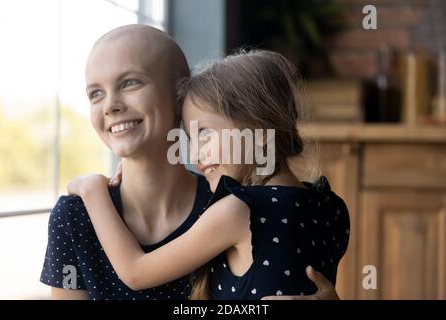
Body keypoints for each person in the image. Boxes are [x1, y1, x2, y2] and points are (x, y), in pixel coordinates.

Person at [40, 24, 338, 300]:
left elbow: (136, 273)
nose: (110, 105)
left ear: (180, 96)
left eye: (130, 83)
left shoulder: (228, 204)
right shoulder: (75, 216)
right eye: (95, 93)